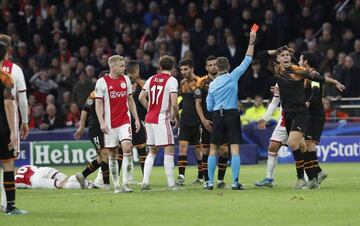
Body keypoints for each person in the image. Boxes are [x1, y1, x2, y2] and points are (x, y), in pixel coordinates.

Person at [261, 46, 344, 189]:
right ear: (278, 59)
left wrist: (335, 82)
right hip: (287, 114)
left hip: (301, 112)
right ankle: (314, 175)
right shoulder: (278, 70)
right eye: (283, 55)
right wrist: (275, 51)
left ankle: (300, 179)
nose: (286, 57)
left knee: (293, 143)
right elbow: (260, 55)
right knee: (301, 145)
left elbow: (319, 78)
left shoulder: (298, 71)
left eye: (288, 55)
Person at [205, 31, 256, 190]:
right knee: (234, 149)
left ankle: (210, 182)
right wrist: (251, 42)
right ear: (228, 67)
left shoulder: (212, 85)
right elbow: (247, 60)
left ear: (216, 68)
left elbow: (208, 106)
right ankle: (235, 182)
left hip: (217, 115)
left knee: (213, 149)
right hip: (232, 114)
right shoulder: (233, 76)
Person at [95, 55, 140, 193]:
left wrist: (136, 119)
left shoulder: (126, 79)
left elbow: (130, 100)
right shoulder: (102, 82)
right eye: (121, 66)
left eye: (124, 65)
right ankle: (117, 185)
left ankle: (126, 183)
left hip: (124, 121)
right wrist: (102, 122)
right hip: (109, 124)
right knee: (112, 154)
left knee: (127, 148)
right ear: (112, 67)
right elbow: (99, 104)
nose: (124, 68)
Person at [139, 55, 179, 190]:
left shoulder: (151, 79)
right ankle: (171, 184)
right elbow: (174, 104)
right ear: (172, 67)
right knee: (169, 149)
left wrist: (150, 108)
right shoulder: (172, 80)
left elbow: (141, 97)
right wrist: (175, 117)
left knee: (152, 151)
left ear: (160, 67)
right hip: (161, 118)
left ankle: (145, 182)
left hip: (149, 117)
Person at [0, 34, 29, 213]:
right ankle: (8, 205)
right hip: (5, 124)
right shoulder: (12, 72)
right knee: (8, 163)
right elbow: (19, 100)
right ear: (8, 50)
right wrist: (24, 122)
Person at [194, 55, 229, 188]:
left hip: (223, 120)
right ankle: (207, 180)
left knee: (224, 151)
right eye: (210, 65)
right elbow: (197, 103)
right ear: (206, 68)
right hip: (207, 121)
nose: (213, 67)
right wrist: (203, 120)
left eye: (215, 64)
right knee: (207, 152)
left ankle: (220, 180)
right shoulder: (201, 82)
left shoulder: (225, 79)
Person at [300, 52, 328, 188]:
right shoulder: (306, 75)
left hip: (315, 115)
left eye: (300, 59)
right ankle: (317, 175)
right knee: (306, 146)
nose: (299, 61)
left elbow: (316, 92)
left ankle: (315, 177)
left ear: (305, 61)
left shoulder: (314, 75)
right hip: (309, 115)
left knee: (307, 145)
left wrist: (308, 102)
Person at [73, 86, 110, 190]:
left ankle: (82, 175)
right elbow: (85, 110)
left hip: (107, 129)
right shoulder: (94, 94)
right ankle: (106, 184)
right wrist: (81, 127)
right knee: (105, 153)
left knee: (101, 159)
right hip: (96, 129)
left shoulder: (111, 92)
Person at [176, 59, 203, 186]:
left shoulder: (200, 82)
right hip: (185, 120)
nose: (183, 72)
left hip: (197, 121)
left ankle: (201, 176)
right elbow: (182, 101)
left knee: (199, 149)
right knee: (182, 148)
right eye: (181, 70)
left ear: (192, 68)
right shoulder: (182, 83)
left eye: (186, 69)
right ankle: (181, 176)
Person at [255, 84, 287, 188]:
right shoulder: (279, 82)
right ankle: (269, 178)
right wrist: (265, 118)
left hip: (298, 118)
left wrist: (283, 91)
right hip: (284, 121)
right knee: (273, 147)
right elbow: (274, 102)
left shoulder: (298, 76)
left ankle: (306, 177)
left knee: (300, 148)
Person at [14, 165, 95, 189]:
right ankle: (89, 182)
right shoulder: (24, 166)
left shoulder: (15, 181)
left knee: (62, 185)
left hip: (34, 180)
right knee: (66, 179)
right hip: (42, 169)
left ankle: (89, 186)